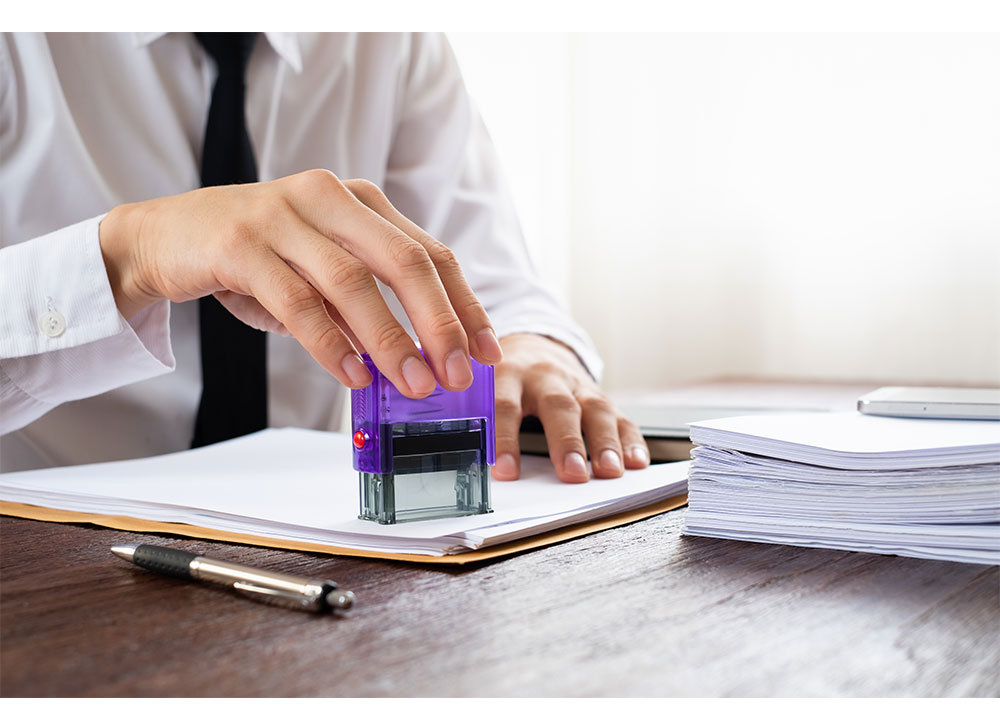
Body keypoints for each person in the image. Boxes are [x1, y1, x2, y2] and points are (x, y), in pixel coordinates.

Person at [0, 32, 650, 483]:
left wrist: (533, 348)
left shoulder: (389, 35)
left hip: (311, 549)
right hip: (41, 555)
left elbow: (489, 277)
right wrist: (130, 255)